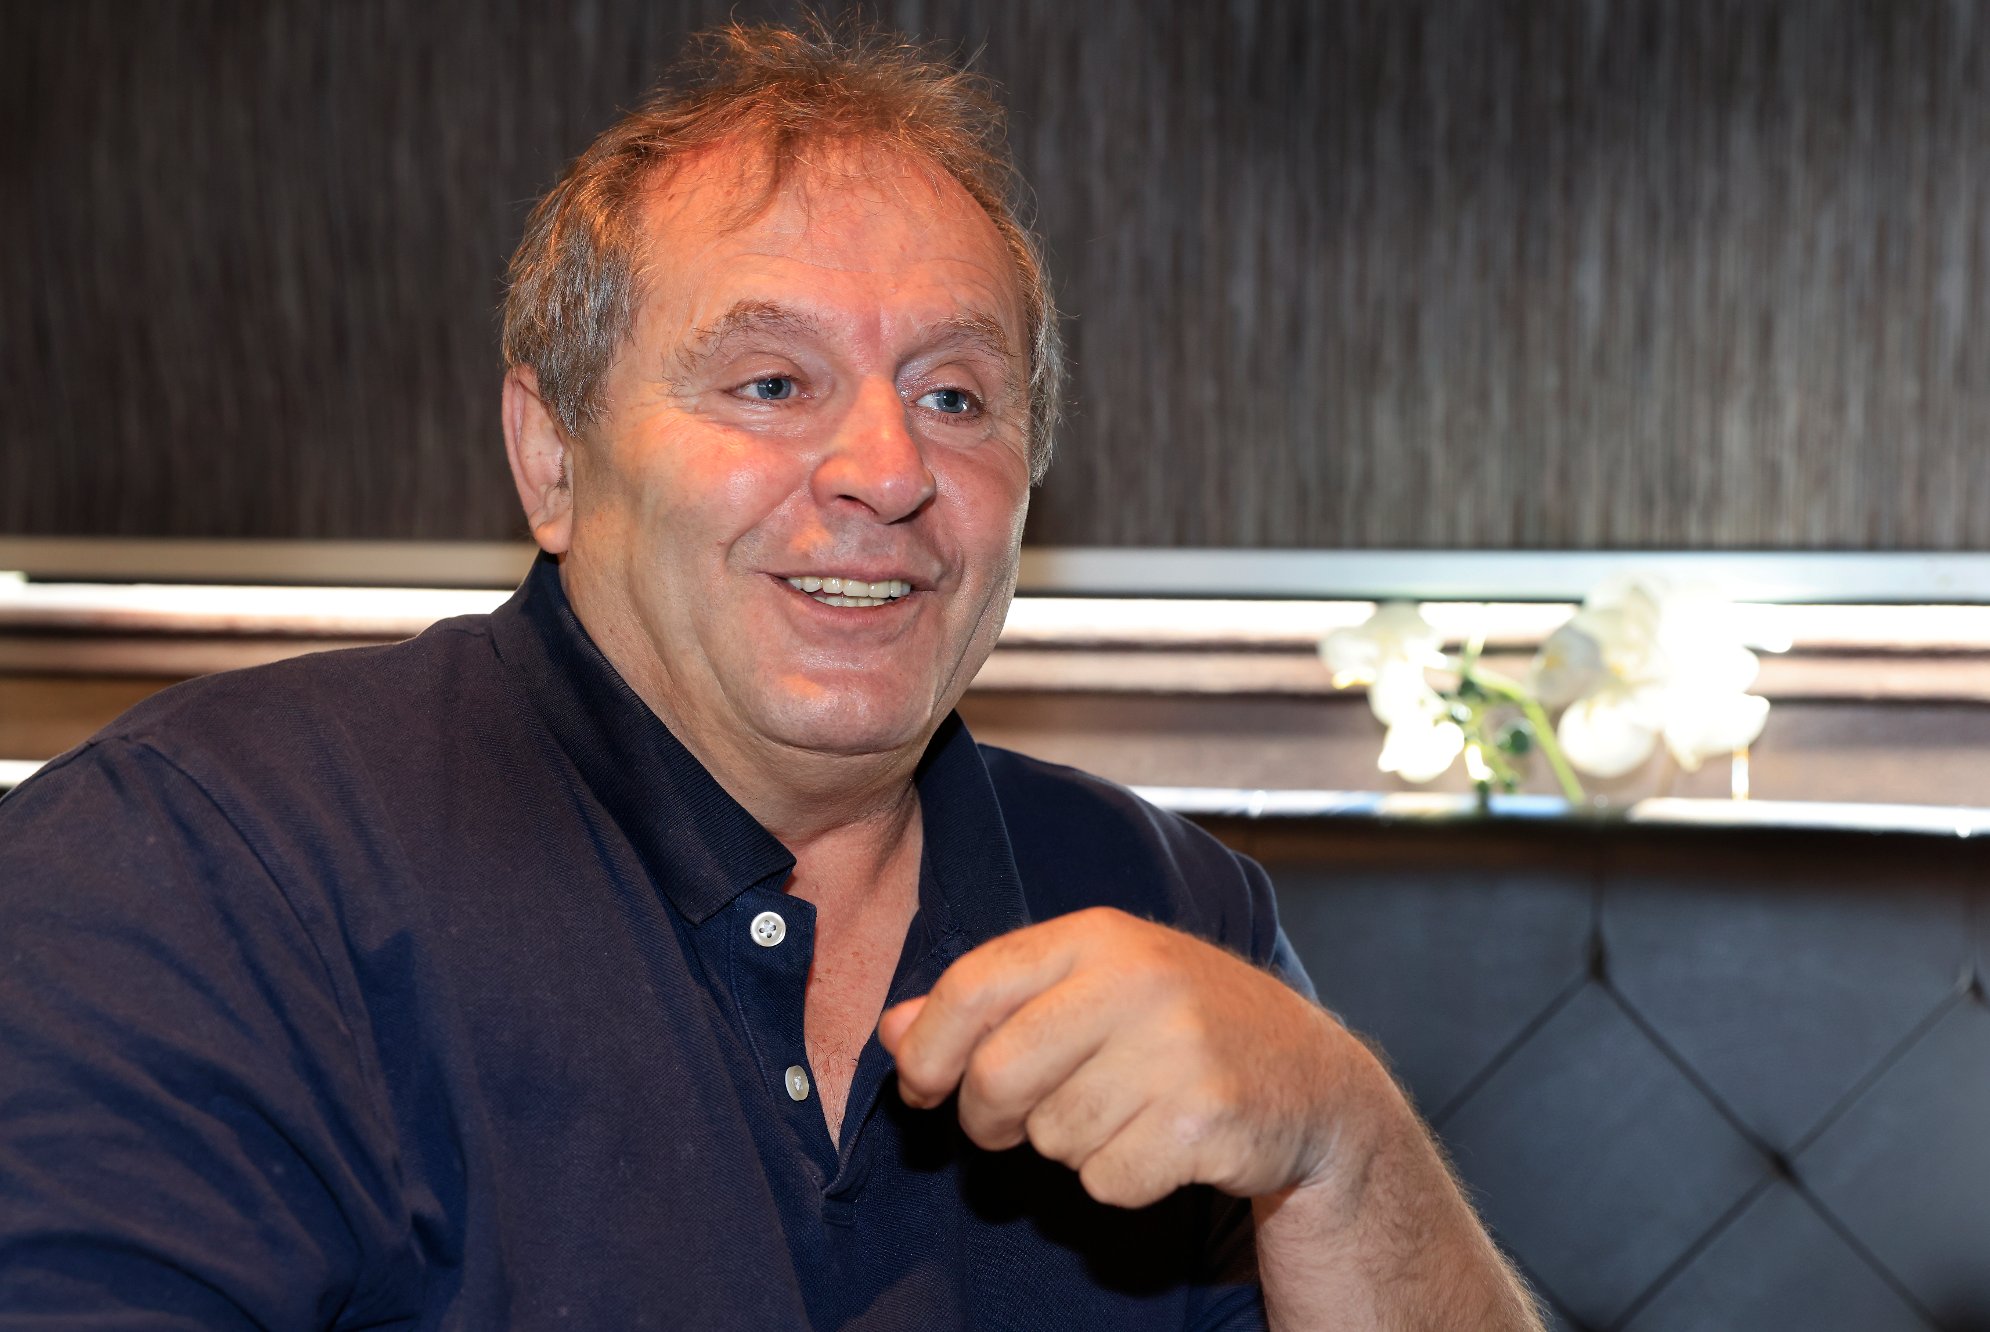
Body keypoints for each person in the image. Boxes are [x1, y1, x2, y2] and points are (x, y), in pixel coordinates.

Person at [0, 21, 1542, 1330]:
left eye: (956, 396)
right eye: (770, 382)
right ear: (551, 457)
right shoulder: (195, 868)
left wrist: (1345, 1148)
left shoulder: (1167, 900)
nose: (888, 468)